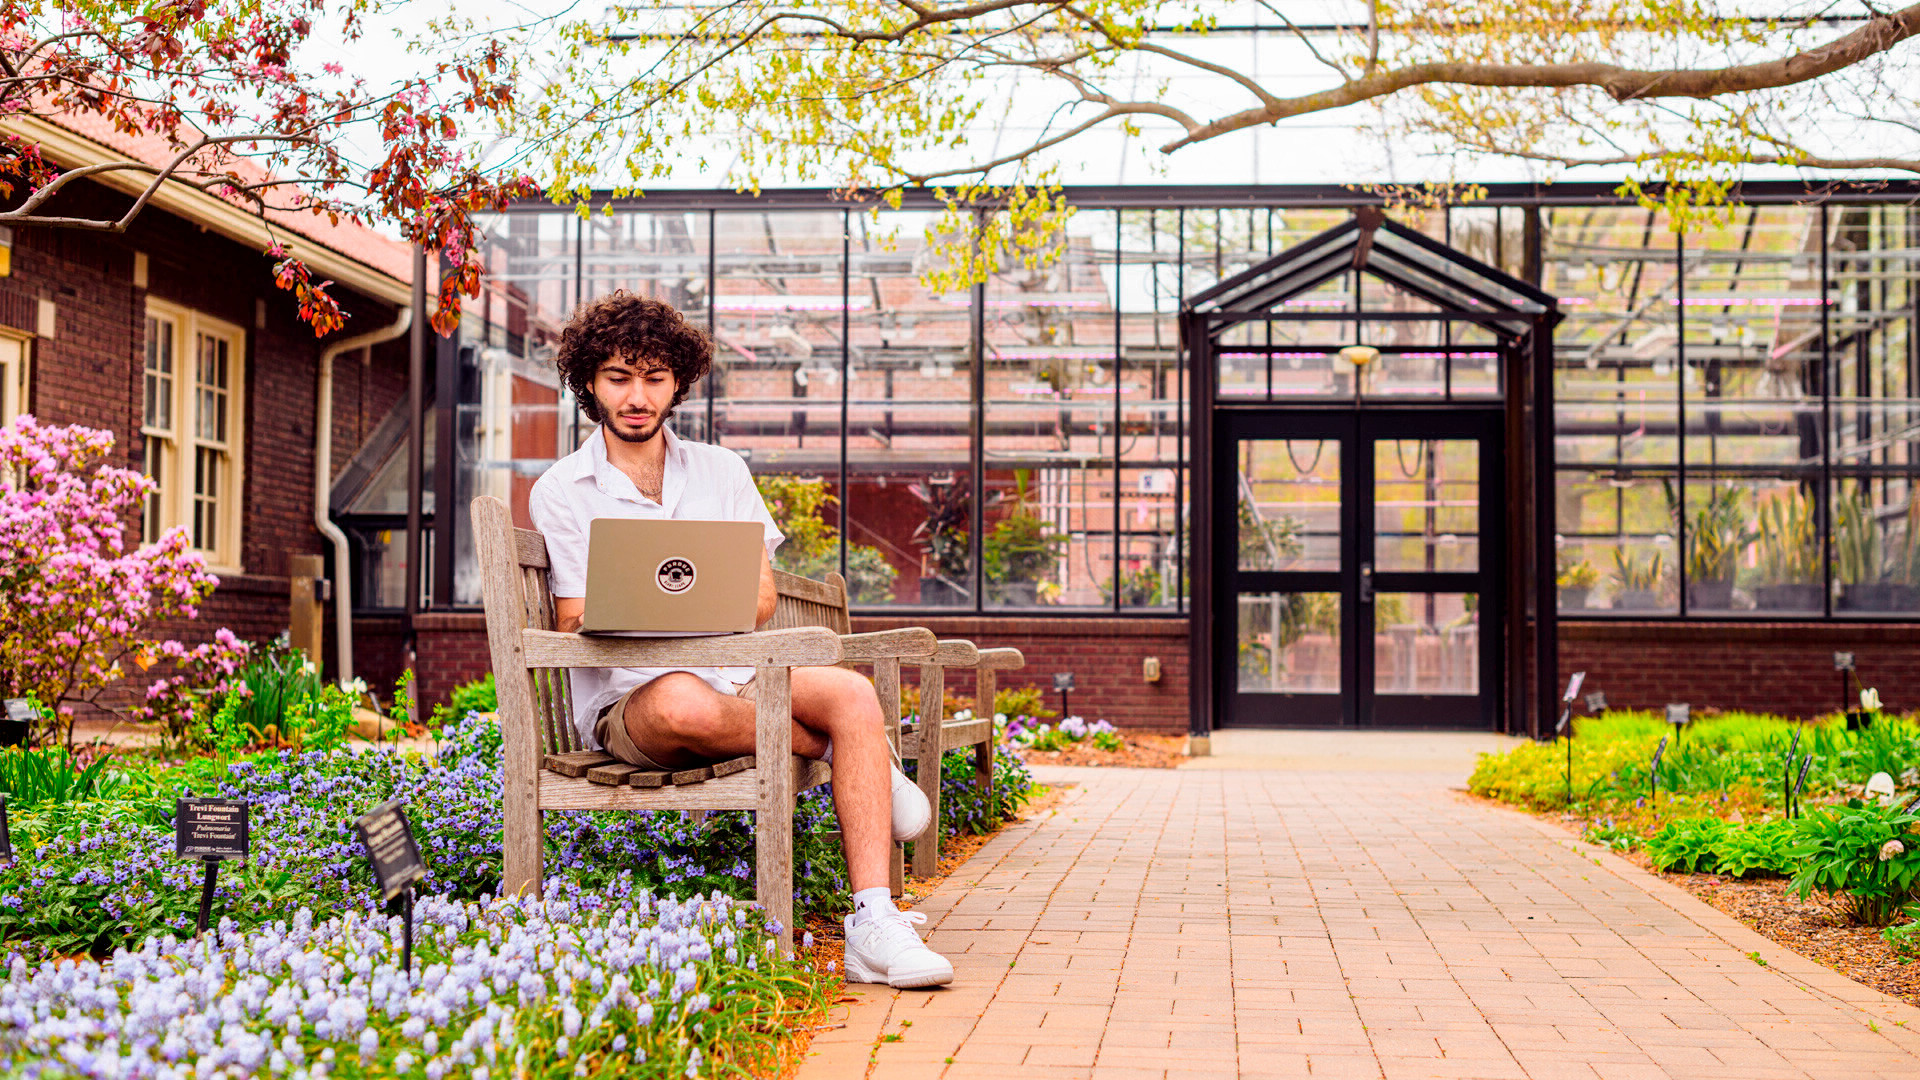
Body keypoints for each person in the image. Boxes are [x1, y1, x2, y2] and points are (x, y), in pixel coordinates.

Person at [528, 291, 953, 988]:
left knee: (850, 691)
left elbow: (758, 600)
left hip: (736, 672)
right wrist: (682, 610)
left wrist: (655, 601)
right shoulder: (563, 488)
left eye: (655, 378)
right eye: (618, 377)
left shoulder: (721, 471)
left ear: (678, 383)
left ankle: (874, 923)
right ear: (589, 383)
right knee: (684, 706)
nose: (637, 396)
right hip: (634, 696)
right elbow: (575, 616)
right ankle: (862, 757)